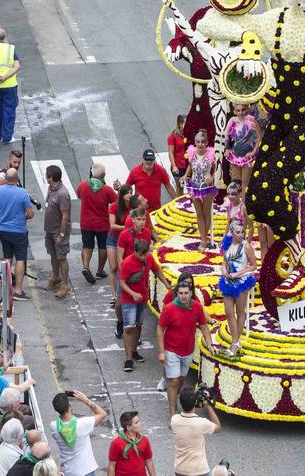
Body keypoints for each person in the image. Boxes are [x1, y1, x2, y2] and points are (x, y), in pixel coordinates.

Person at [158, 280, 213, 418]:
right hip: (172, 350)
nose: (183, 296)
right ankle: (172, 412)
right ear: (177, 294)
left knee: (181, 380)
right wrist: (161, 351)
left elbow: (204, 326)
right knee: (174, 381)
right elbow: (160, 328)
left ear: (191, 293)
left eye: (186, 293)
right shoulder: (169, 308)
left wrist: (210, 344)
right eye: (180, 293)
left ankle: (174, 400)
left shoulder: (197, 307)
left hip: (188, 351)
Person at [216, 217, 257, 356]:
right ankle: (235, 342)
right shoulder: (227, 244)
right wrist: (224, 270)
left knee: (240, 312)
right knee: (228, 312)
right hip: (228, 281)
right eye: (238, 232)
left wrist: (239, 273)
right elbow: (224, 261)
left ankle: (235, 343)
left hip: (241, 282)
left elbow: (254, 265)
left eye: (242, 232)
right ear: (232, 232)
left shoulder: (246, 246)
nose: (241, 235)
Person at [118, 237, 158, 373]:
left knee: (138, 325)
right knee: (129, 328)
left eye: (144, 254)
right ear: (135, 252)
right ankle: (128, 359)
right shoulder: (127, 263)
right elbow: (122, 282)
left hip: (142, 299)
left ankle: (134, 351)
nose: (142, 257)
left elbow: (157, 270)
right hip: (129, 300)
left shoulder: (149, 259)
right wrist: (133, 293)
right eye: (140, 254)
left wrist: (166, 284)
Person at [0, 167, 35, 299]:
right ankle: (18, 290)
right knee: (21, 259)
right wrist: (24, 216)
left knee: (7, 258)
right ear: (17, 179)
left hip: (3, 229)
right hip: (18, 230)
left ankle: (6, 287)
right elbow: (30, 213)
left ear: (5, 178)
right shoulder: (22, 193)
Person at [48, 390, 108, 476]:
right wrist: (86, 400)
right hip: (86, 470)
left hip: (68, 471)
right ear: (70, 406)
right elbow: (102, 414)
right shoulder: (82, 424)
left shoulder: (54, 426)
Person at [77, 161, 115, 285]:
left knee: (87, 246)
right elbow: (115, 201)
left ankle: (86, 267)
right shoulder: (107, 189)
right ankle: (99, 271)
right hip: (102, 223)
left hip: (86, 222)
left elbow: (79, 196)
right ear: (103, 175)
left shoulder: (83, 186)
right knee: (103, 247)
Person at [171, 387, 221, 476]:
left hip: (180, 470)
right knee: (224, 470)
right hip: (199, 471)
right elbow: (218, 427)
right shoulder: (202, 423)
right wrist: (208, 406)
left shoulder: (174, 420)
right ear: (195, 403)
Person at [43, 164, 73, 299]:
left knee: (61, 257)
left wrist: (61, 234)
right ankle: (55, 278)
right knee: (53, 255)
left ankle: (65, 284)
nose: (45, 177)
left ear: (51, 177)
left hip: (58, 231)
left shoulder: (63, 194)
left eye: (47, 175)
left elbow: (65, 216)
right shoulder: (51, 188)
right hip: (49, 229)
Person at [107, 411, 155, 476]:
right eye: (136, 423)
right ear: (128, 427)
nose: (140, 424)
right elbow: (112, 465)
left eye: (139, 421)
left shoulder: (144, 440)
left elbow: (148, 460)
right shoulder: (116, 443)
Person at [126, 149, 175, 213]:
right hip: (140, 211)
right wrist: (132, 202)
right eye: (147, 159)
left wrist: (177, 201)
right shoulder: (134, 172)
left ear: (154, 160)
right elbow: (127, 188)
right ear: (142, 159)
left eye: (151, 159)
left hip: (156, 210)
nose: (149, 162)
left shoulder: (161, 171)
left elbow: (168, 187)